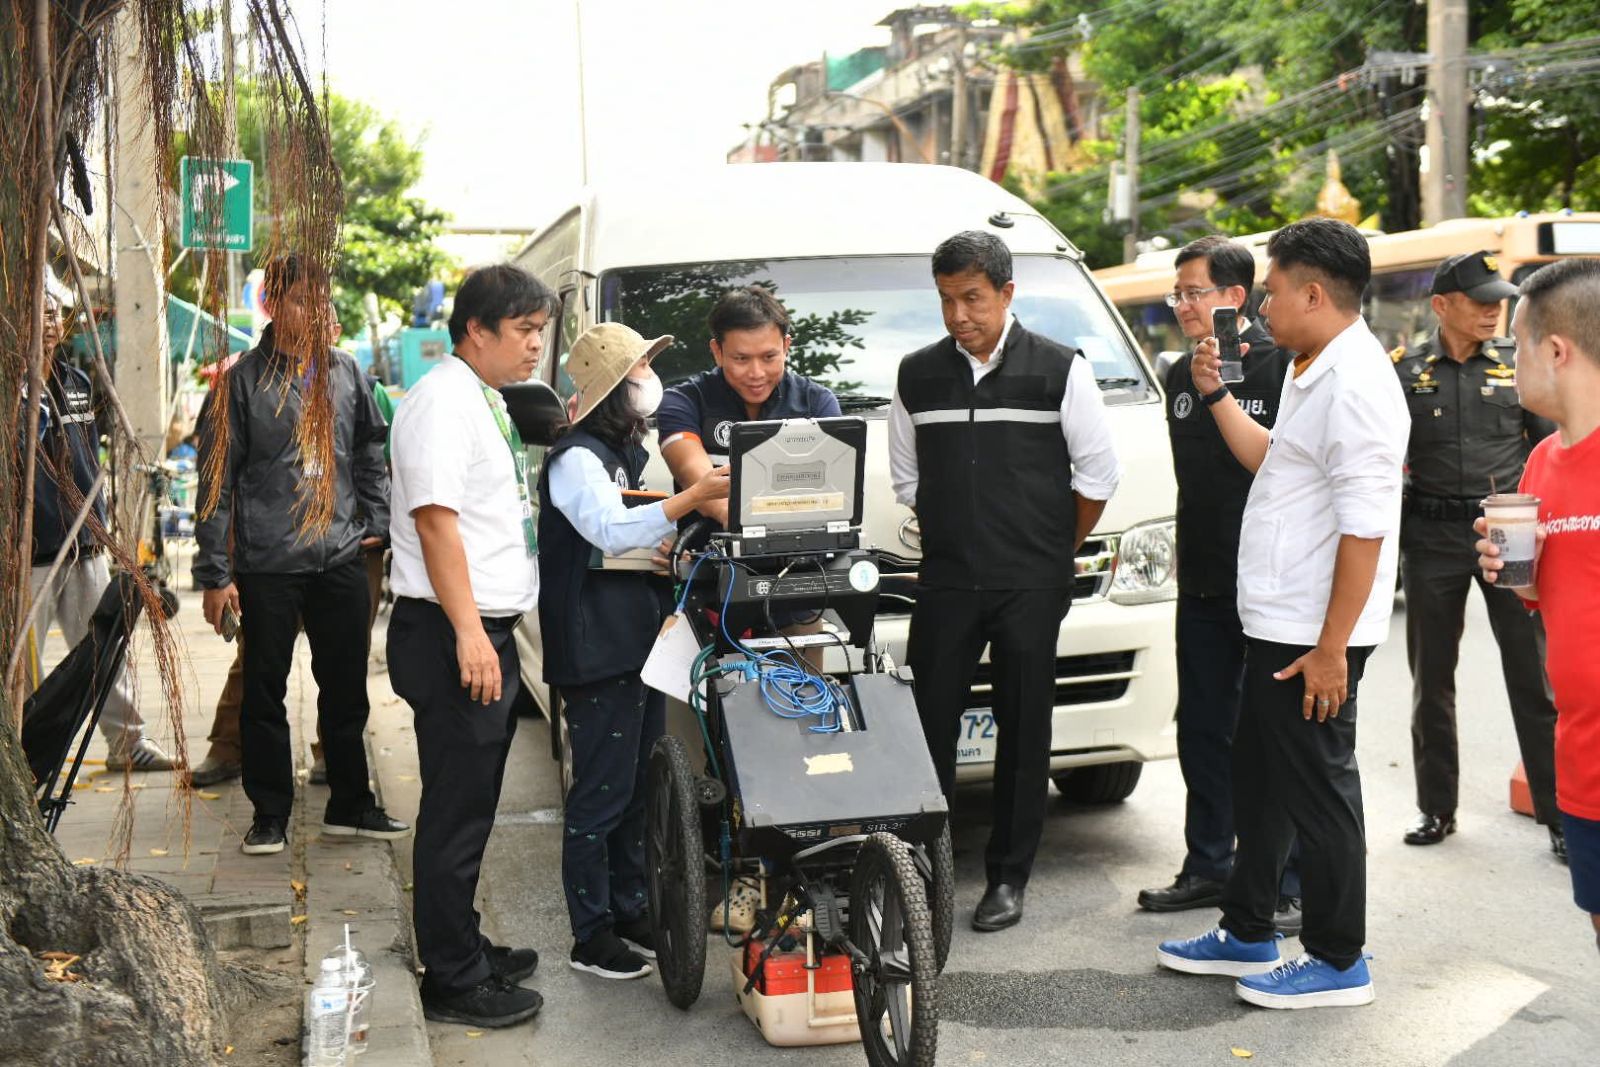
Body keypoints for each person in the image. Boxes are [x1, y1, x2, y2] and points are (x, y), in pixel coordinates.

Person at [1155, 218, 1408, 1008]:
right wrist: (1216, 396)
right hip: (1276, 617)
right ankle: (1248, 927)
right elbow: (1273, 460)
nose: (1260, 306)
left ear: (1314, 293)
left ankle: (1338, 957)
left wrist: (1333, 648)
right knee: (1259, 778)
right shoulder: (1312, 368)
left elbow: (1365, 529)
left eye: (1271, 291)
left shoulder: (1357, 383)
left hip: (1313, 631)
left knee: (1319, 789)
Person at [888, 230, 1121, 932]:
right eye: (946, 300)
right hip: (948, 580)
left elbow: (1098, 476)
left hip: (1031, 583)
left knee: (1024, 728)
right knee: (927, 725)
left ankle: (1008, 878)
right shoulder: (916, 374)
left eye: (973, 298)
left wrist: (1050, 550)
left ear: (1007, 292)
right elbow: (908, 479)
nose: (959, 315)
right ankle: (925, 870)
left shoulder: (1059, 368)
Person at [195, 254, 407, 856]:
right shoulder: (240, 383)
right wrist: (215, 575)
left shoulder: (346, 371)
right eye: (299, 301)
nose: (314, 312)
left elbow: (370, 448)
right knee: (264, 693)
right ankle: (270, 815)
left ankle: (351, 805)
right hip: (268, 565)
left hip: (339, 558)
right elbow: (214, 485)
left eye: (321, 300)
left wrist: (376, 519)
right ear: (272, 305)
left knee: (346, 689)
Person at [386, 263, 552, 1027]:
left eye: (540, 331)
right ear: (476, 330)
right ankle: (452, 977)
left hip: (480, 627)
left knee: (474, 803)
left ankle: (464, 943)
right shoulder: (441, 403)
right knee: (456, 809)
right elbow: (435, 523)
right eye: (523, 331)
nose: (536, 346)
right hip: (454, 630)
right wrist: (468, 633)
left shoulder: (481, 396)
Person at [538, 322, 729, 980]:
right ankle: (590, 935)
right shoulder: (575, 458)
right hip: (596, 648)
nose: (651, 378)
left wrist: (667, 544)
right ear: (614, 389)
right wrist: (691, 498)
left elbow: (631, 538)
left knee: (637, 789)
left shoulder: (622, 453)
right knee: (600, 794)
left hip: (633, 641)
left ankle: (630, 908)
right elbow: (609, 528)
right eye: (640, 369)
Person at [1138, 236, 1300, 931]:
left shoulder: (1284, 364)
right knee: (1202, 729)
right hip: (1204, 579)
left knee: (1272, 732)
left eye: (1193, 292)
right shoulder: (1180, 373)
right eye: (1176, 293)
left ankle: (1289, 878)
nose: (1181, 305)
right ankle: (1208, 862)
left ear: (1235, 296)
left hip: (1268, 583)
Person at [1393, 251, 1561, 856]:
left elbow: (1547, 451)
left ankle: (1560, 816)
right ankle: (1436, 809)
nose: (1494, 311)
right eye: (1481, 300)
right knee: (1432, 680)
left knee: (1533, 677)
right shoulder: (1404, 371)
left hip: (1507, 532)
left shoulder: (1518, 366)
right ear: (1442, 305)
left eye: (1499, 301)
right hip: (1430, 537)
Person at [1476, 257, 1600, 955]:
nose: (1508, 361)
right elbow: (1547, 593)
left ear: (1555, 350)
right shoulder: (1542, 463)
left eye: (1516, 344)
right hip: (1581, 761)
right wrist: (1516, 576)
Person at [22, 288, 175, 772]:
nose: (49, 323)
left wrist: (100, 522)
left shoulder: (77, 382)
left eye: (55, 314)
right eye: (39, 313)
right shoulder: (12, 387)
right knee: (24, 666)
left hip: (86, 543)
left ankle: (129, 743)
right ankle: (27, 753)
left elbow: (89, 453)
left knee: (107, 647)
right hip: (31, 554)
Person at [657, 285, 841, 529]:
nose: (756, 373)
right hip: (707, 550)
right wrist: (735, 518)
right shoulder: (683, 401)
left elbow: (835, 486)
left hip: (807, 550)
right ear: (717, 351)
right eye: (741, 359)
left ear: (786, 347)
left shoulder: (817, 402)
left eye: (768, 357)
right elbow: (691, 472)